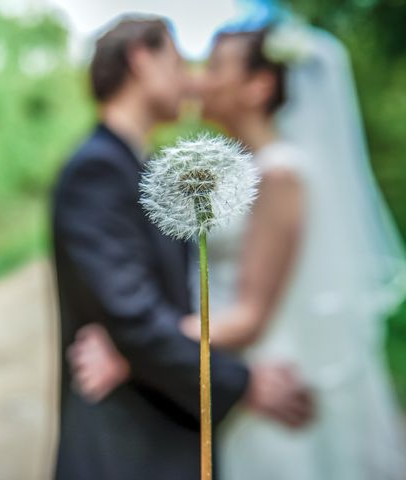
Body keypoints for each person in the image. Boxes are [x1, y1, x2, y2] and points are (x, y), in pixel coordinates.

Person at [69, 22, 406, 480]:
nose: (197, 79)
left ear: (258, 86)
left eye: (214, 66)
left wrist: (131, 353)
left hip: (266, 370)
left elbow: (250, 314)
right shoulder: (238, 173)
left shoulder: (280, 174)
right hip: (231, 371)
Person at [52, 16, 313, 480]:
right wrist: (245, 382)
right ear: (141, 60)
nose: (190, 79)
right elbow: (132, 316)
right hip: (124, 442)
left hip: (168, 422)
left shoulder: (142, 168)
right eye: (176, 62)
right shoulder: (96, 171)